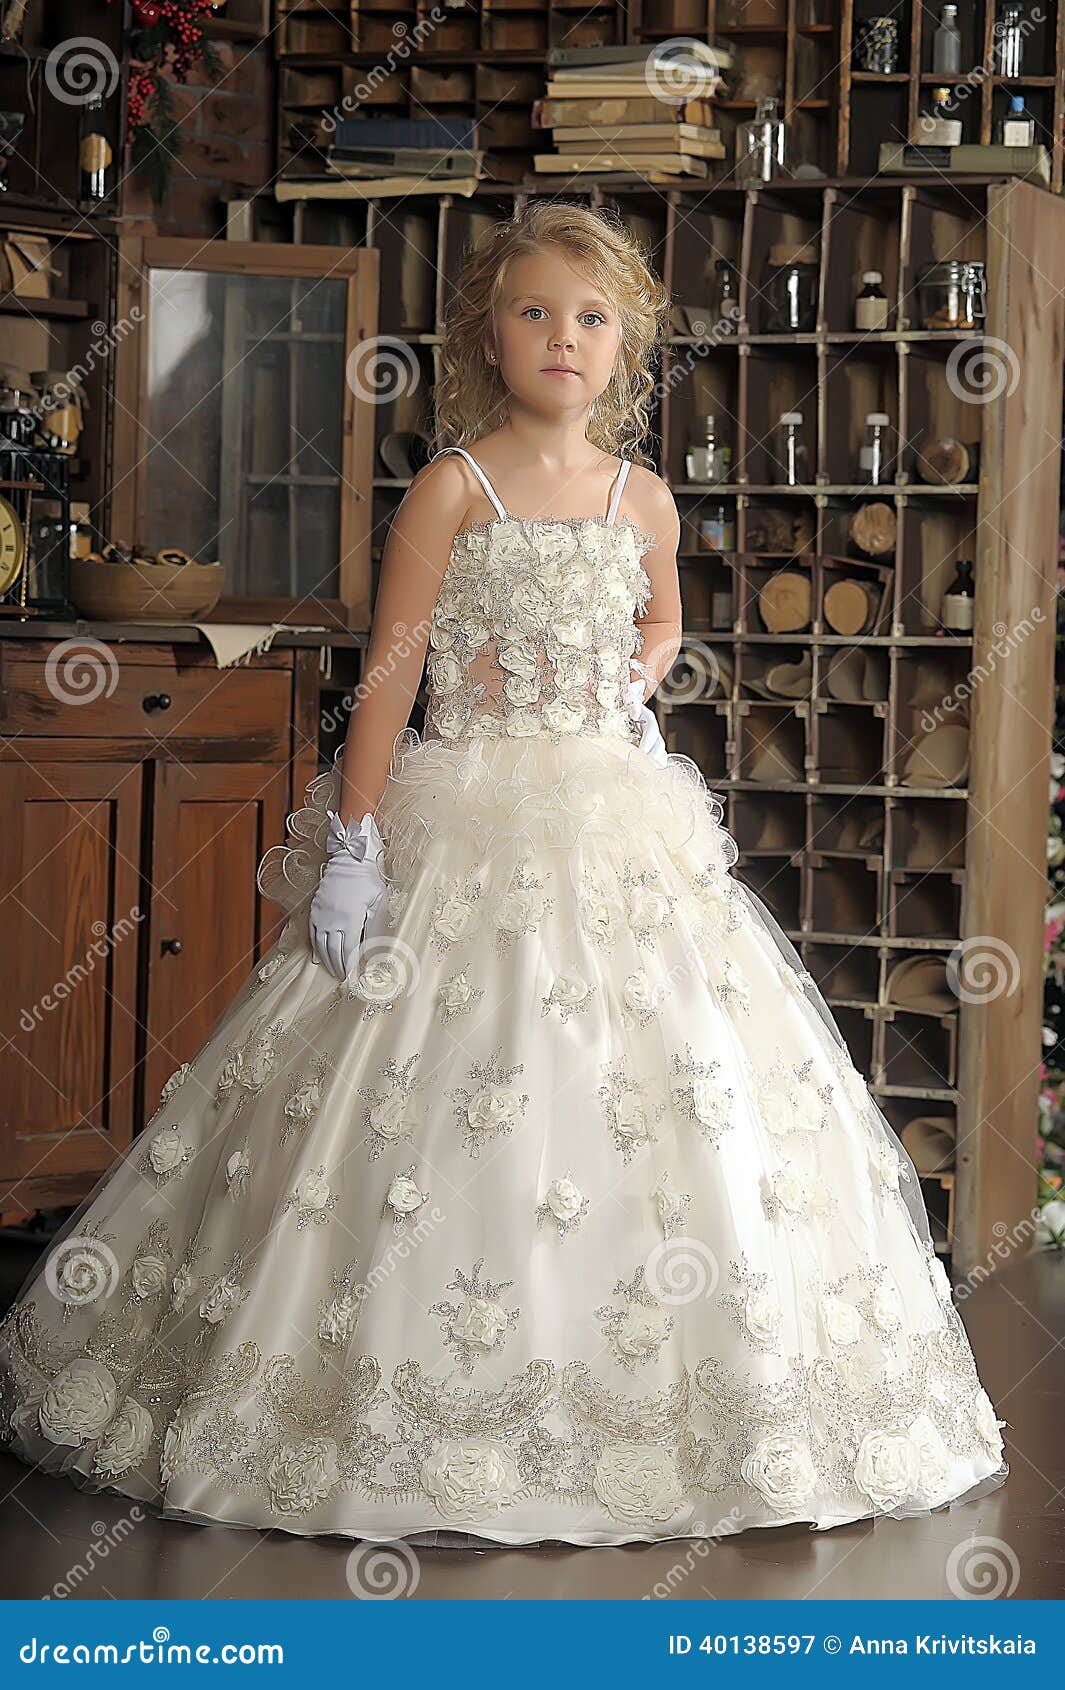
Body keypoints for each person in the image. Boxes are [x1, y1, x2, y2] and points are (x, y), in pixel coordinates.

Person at [0, 202, 1007, 1549]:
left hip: (612, 811)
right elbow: (393, 673)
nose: (562, 339)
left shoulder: (637, 494)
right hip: (463, 813)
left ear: (626, 342)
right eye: (534, 311)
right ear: (490, 330)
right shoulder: (449, 488)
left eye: (591, 317)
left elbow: (661, 615)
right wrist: (354, 844)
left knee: (673, 1084)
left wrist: (629, 689)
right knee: (426, 1084)